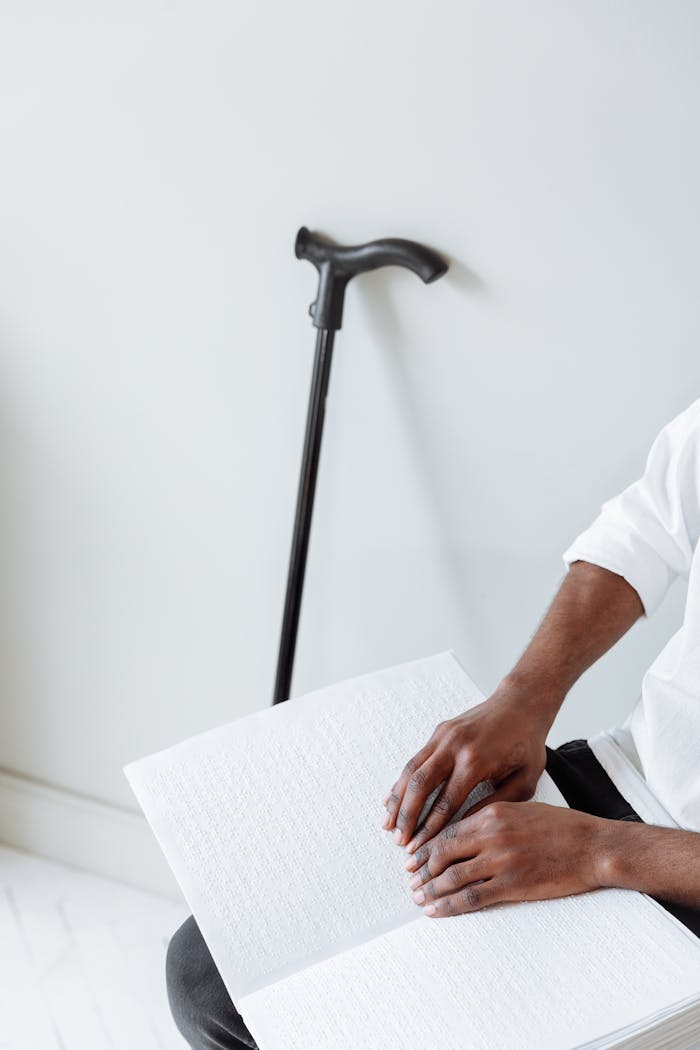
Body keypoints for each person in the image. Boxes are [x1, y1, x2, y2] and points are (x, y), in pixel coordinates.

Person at [166, 397, 700, 1050]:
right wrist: (524, 698)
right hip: (626, 775)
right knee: (211, 981)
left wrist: (600, 852)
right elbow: (648, 530)